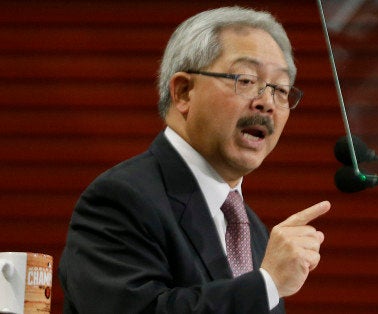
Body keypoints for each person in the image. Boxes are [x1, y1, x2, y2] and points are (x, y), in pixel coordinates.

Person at [58, 6, 331, 313]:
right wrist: (265, 285)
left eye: (280, 89)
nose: (267, 102)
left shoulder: (252, 231)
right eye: (245, 80)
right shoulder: (121, 200)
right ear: (184, 92)